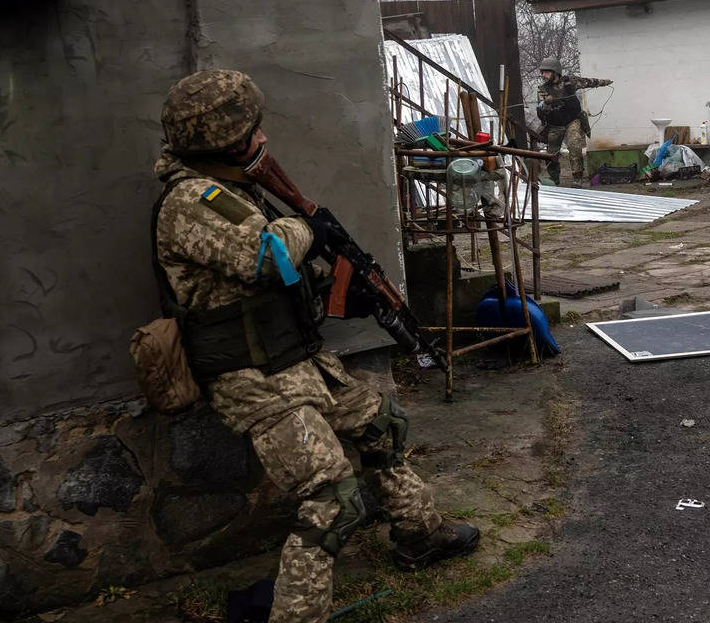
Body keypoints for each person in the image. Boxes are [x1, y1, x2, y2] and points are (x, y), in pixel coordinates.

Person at [153, 70, 478, 622]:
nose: (262, 140)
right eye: (253, 131)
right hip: (250, 376)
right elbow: (265, 257)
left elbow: (279, 278)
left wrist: (338, 284)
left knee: (381, 426)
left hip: (293, 358)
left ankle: (420, 533)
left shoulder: (237, 190)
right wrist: (310, 227)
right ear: (225, 141)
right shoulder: (193, 199)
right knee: (332, 497)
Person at [535, 57, 611, 187]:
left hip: (572, 120)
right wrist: (546, 104)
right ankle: (554, 178)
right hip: (555, 125)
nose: (544, 75)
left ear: (555, 72)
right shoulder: (542, 89)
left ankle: (577, 178)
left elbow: (588, 82)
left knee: (575, 145)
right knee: (551, 153)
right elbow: (541, 111)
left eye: (547, 72)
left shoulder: (570, 82)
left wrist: (606, 82)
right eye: (542, 72)